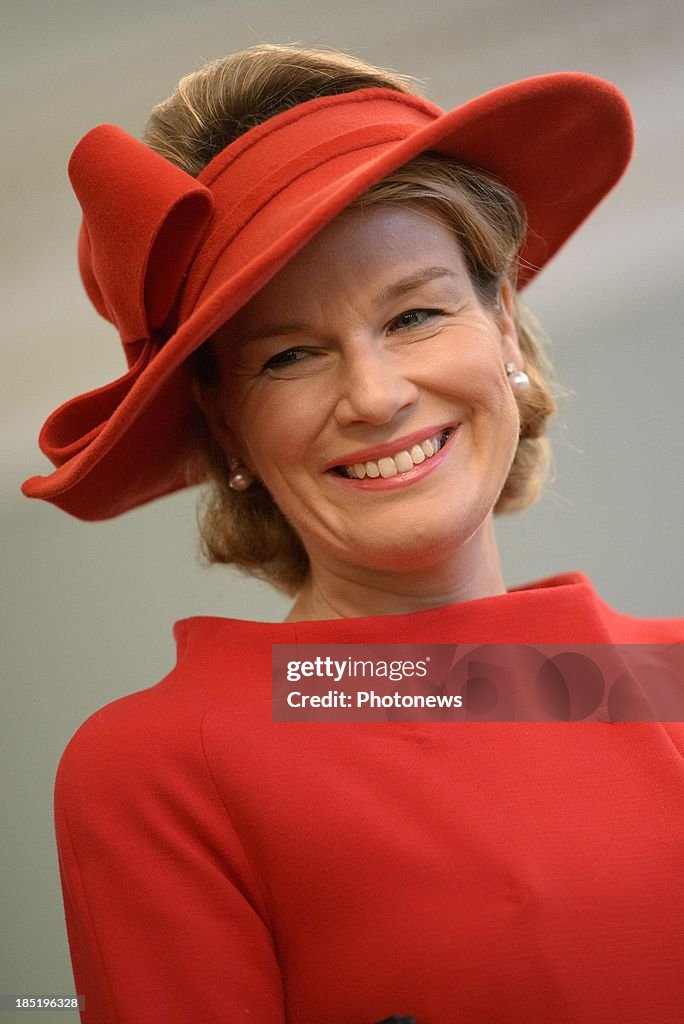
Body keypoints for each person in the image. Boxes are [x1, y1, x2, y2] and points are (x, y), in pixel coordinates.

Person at [22, 44, 683, 1024]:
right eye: (290, 355)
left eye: (414, 313)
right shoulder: (164, 768)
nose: (374, 397)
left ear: (504, 327)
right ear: (226, 423)